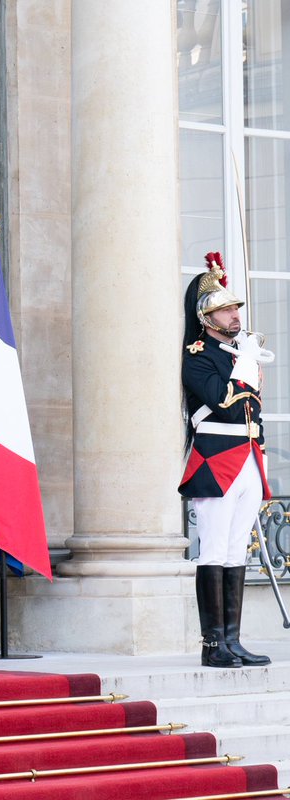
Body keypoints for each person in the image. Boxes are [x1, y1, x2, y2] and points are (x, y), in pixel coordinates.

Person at [180, 252, 272, 668]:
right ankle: (212, 644)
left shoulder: (238, 354)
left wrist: (245, 358)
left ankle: (232, 641)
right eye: (225, 310)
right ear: (207, 318)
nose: (235, 315)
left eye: (235, 308)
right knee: (214, 549)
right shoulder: (199, 355)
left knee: (237, 550)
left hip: (249, 457)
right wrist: (247, 361)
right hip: (216, 460)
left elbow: (251, 412)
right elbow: (222, 402)